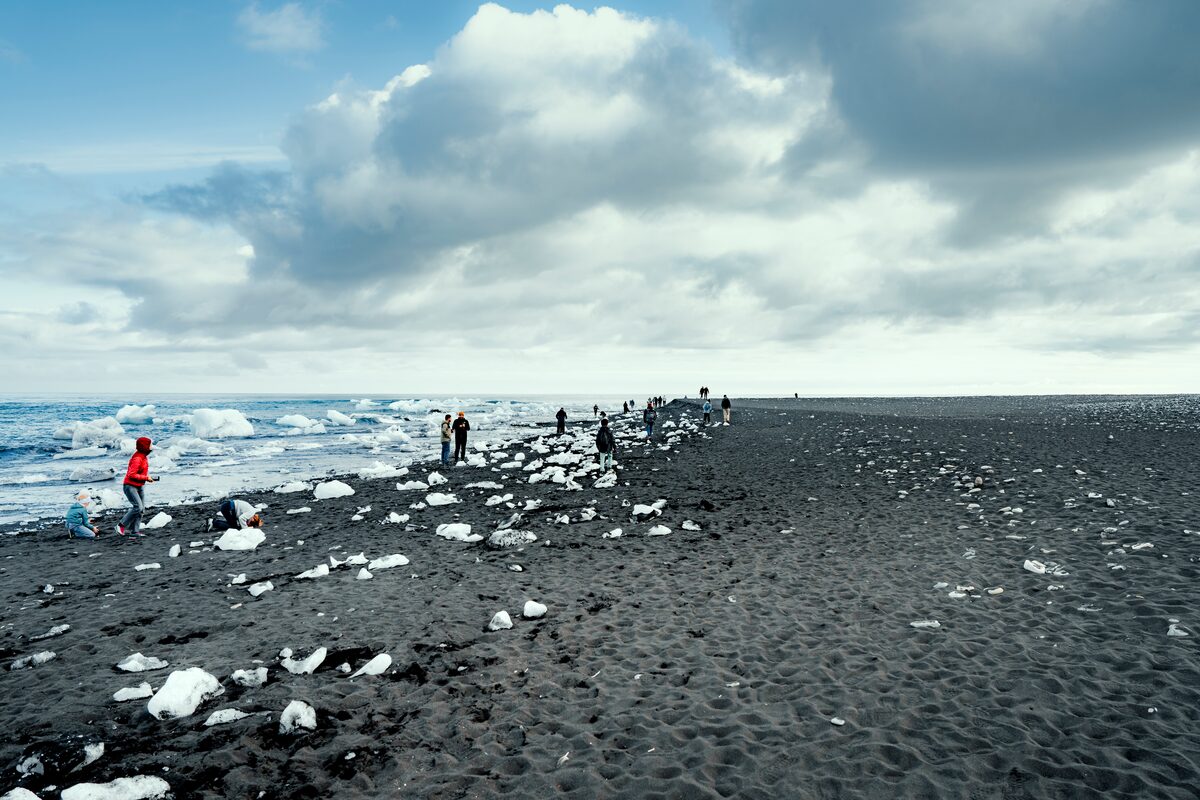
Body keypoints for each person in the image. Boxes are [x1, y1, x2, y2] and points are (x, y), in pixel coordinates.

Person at [117, 436, 155, 536]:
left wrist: (146, 477)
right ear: (144, 446)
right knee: (138, 507)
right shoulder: (137, 458)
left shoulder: (143, 456)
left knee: (141, 510)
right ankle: (121, 525)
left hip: (139, 485)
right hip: (130, 486)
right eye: (150, 444)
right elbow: (131, 474)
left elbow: (140, 472)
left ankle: (135, 531)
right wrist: (146, 478)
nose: (151, 446)